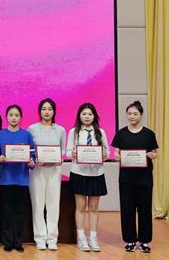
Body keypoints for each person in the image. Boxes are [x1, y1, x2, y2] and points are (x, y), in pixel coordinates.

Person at [112, 101, 158, 253]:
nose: (132, 116)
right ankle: (130, 240)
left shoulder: (149, 134)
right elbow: (116, 153)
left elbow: (155, 153)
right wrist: (117, 156)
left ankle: (144, 241)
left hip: (144, 178)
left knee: (145, 210)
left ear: (141, 115)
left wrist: (152, 155)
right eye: (129, 114)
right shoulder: (121, 133)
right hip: (126, 179)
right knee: (127, 210)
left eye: (135, 114)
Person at [66, 103, 109, 252]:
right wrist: (72, 154)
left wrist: (105, 154)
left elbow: (107, 150)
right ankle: (81, 237)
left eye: (90, 114)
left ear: (94, 116)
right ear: (79, 115)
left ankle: (93, 238)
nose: (87, 116)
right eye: (84, 114)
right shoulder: (73, 132)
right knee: (80, 207)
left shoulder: (101, 132)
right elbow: (68, 151)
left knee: (94, 208)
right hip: (79, 172)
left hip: (96, 173)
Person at [27, 98, 66, 250]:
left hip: (54, 170)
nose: (47, 112)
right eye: (44, 109)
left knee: (53, 204)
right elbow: (30, 150)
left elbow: (63, 150)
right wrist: (36, 159)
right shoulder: (32, 129)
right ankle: (40, 238)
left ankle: (52, 238)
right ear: (39, 111)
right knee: (38, 204)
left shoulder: (60, 130)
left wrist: (59, 158)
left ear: (54, 111)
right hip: (38, 170)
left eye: (49, 109)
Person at [0, 104, 35, 252]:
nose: (14, 118)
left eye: (17, 115)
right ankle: (7, 242)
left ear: (21, 117)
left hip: (22, 179)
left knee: (19, 212)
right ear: (6, 117)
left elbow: (33, 156)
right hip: (6, 179)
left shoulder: (26, 135)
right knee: (6, 212)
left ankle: (18, 242)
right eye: (11, 115)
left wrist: (31, 163)